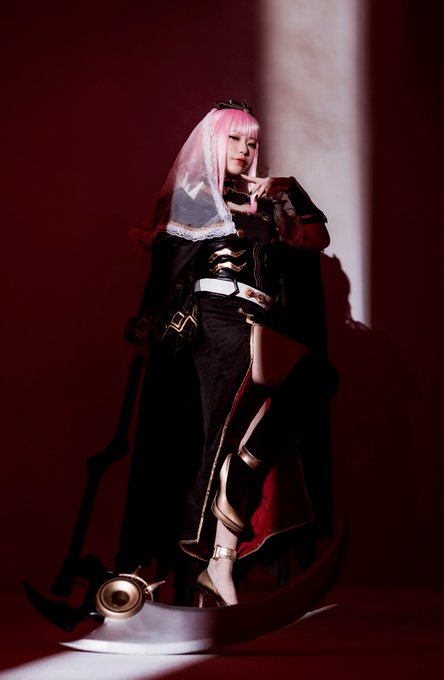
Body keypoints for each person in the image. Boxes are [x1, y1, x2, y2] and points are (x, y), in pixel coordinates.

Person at [116, 99, 333, 607]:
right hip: (216, 325)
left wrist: (286, 190)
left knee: (308, 384)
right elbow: (171, 267)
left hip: (257, 323)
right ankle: (204, 563)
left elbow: (316, 238)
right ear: (214, 142)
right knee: (208, 445)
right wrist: (147, 330)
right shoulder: (195, 196)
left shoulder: (267, 205)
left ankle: (224, 546)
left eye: (251, 141)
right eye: (235, 139)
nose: (245, 149)